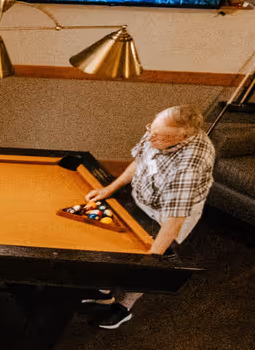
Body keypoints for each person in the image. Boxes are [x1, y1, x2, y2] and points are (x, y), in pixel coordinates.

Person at [79, 103, 216, 329]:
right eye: (151, 130)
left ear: (183, 136)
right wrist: (110, 188)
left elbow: (174, 220)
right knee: (120, 246)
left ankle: (123, 307)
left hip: (171, 212)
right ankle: (104, 294)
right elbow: (140, 160)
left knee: (150, 259)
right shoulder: (159, 132)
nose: (152, 137)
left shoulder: (190, 165)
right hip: (144, 197)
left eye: (159, 136)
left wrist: (151, 260)